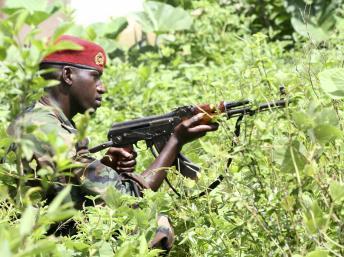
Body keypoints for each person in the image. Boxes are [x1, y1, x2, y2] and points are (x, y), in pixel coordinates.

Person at [8, 35, 218, 252]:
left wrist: (104, 166)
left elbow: (62, 183)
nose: (102, 87)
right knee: (152, 224)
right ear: (68, 75)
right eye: (95, 77)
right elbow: (128, 198)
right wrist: (175, 142)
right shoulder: (50, 131)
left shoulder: (36, 118)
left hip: (32, 232)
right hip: (38, 244)